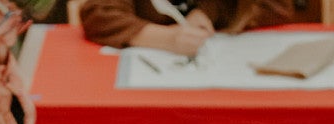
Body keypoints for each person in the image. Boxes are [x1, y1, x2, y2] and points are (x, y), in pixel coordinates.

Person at [79, 0, 295, 56]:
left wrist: (209, 11)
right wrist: (167, 38)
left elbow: (277, 6)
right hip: (149, 89)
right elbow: (98, 13)